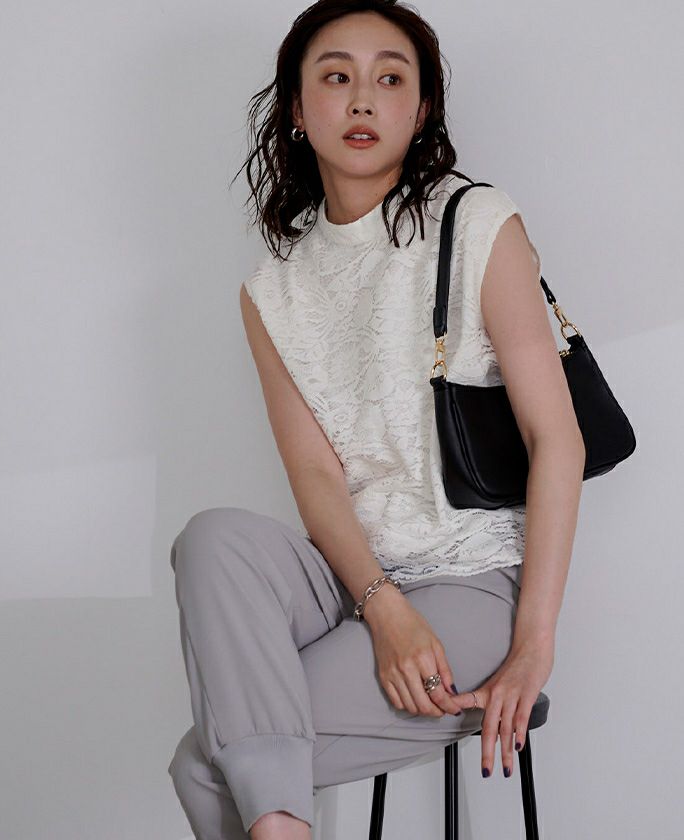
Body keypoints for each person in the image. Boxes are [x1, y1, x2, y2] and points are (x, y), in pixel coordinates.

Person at [168, 2, 586, 838]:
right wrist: (384, 608)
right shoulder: (272, 291)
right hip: (352, 585)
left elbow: (557, 441)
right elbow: (316, 477)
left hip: (472, 583)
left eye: (390, 79)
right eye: (337, 77)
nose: (362, 99)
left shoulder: (477, 224)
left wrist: (533, 646)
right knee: (211, 539)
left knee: (207, 765)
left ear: (421, 109)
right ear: (297, 107)